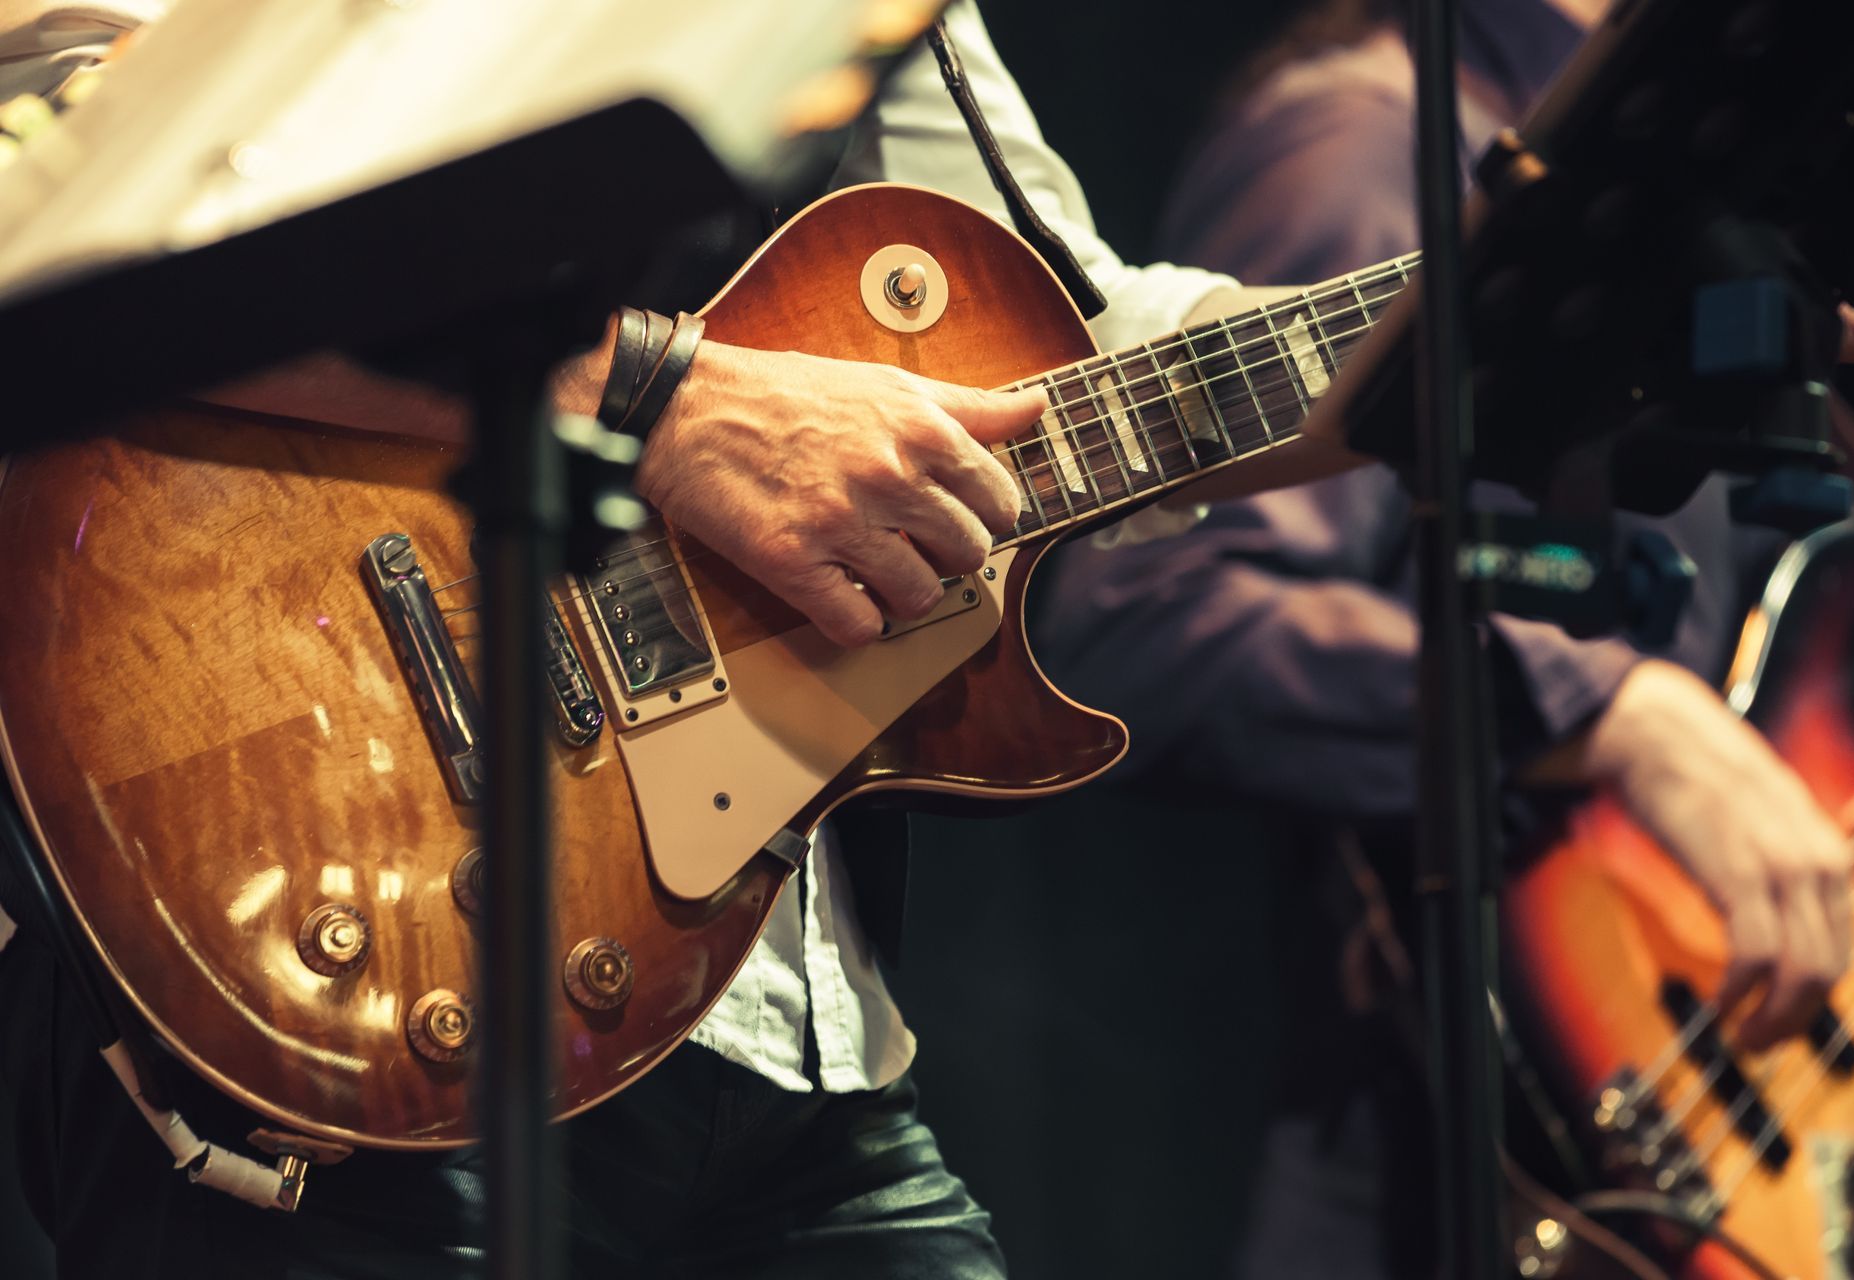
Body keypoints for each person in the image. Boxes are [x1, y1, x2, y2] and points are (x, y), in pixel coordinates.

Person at [0, 3, 1290, 1277]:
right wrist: (658, 400)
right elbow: (66, 230)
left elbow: (1074, 336)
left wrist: (1437, 343)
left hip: (788, 1031)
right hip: (345, 925)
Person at [1034, 0, 1854, 1275]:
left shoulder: (1699, 196)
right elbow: (1143, 616)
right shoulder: (1360, 142)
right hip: (1428, 1170)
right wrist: (1612, 714)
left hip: (1731, 1136)